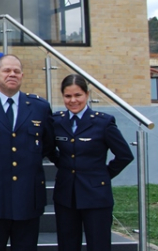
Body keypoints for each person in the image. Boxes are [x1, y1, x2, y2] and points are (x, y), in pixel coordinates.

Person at [0, 55, 54, 251]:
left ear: (22, 75)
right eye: (7, 71)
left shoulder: (40, 107)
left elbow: (46, 145)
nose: (12, 74)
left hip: (27, 196)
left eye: (16, 71)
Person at [49, 75, 134, 251]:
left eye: (78, 95)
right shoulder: (56, 121)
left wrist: (103, 174)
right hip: (66, 194)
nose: (73, 101)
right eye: (68, 96)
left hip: (96, 195)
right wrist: (63, 165)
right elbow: (50, 150)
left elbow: (124, 155)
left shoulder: (103, 122)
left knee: (98, 244)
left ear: (87, 95)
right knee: (67, 244)